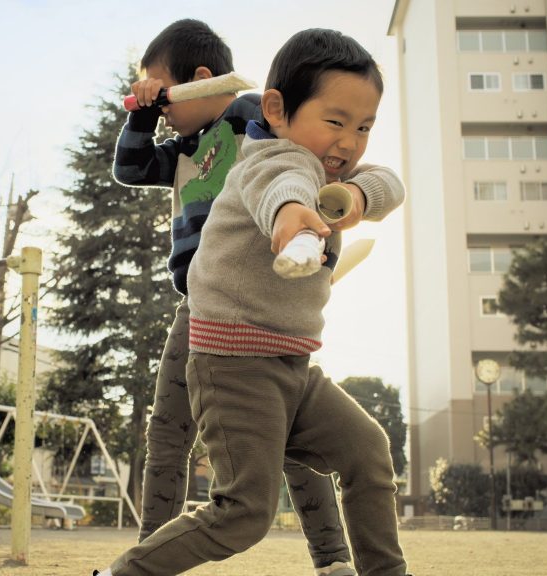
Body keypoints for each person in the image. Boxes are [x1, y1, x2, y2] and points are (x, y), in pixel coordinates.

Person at [97, 28, 409, 576]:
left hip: (291, 359)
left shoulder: (281, 138)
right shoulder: (263, 155)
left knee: (367, 450)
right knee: (243, 511)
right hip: (232, 358)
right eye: (335, 123)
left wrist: (356, 194)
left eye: (363, 127)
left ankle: (370, 568)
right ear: (278, 111)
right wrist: (293, 221)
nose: (350, 142)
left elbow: (388, 181)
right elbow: (278, 188)